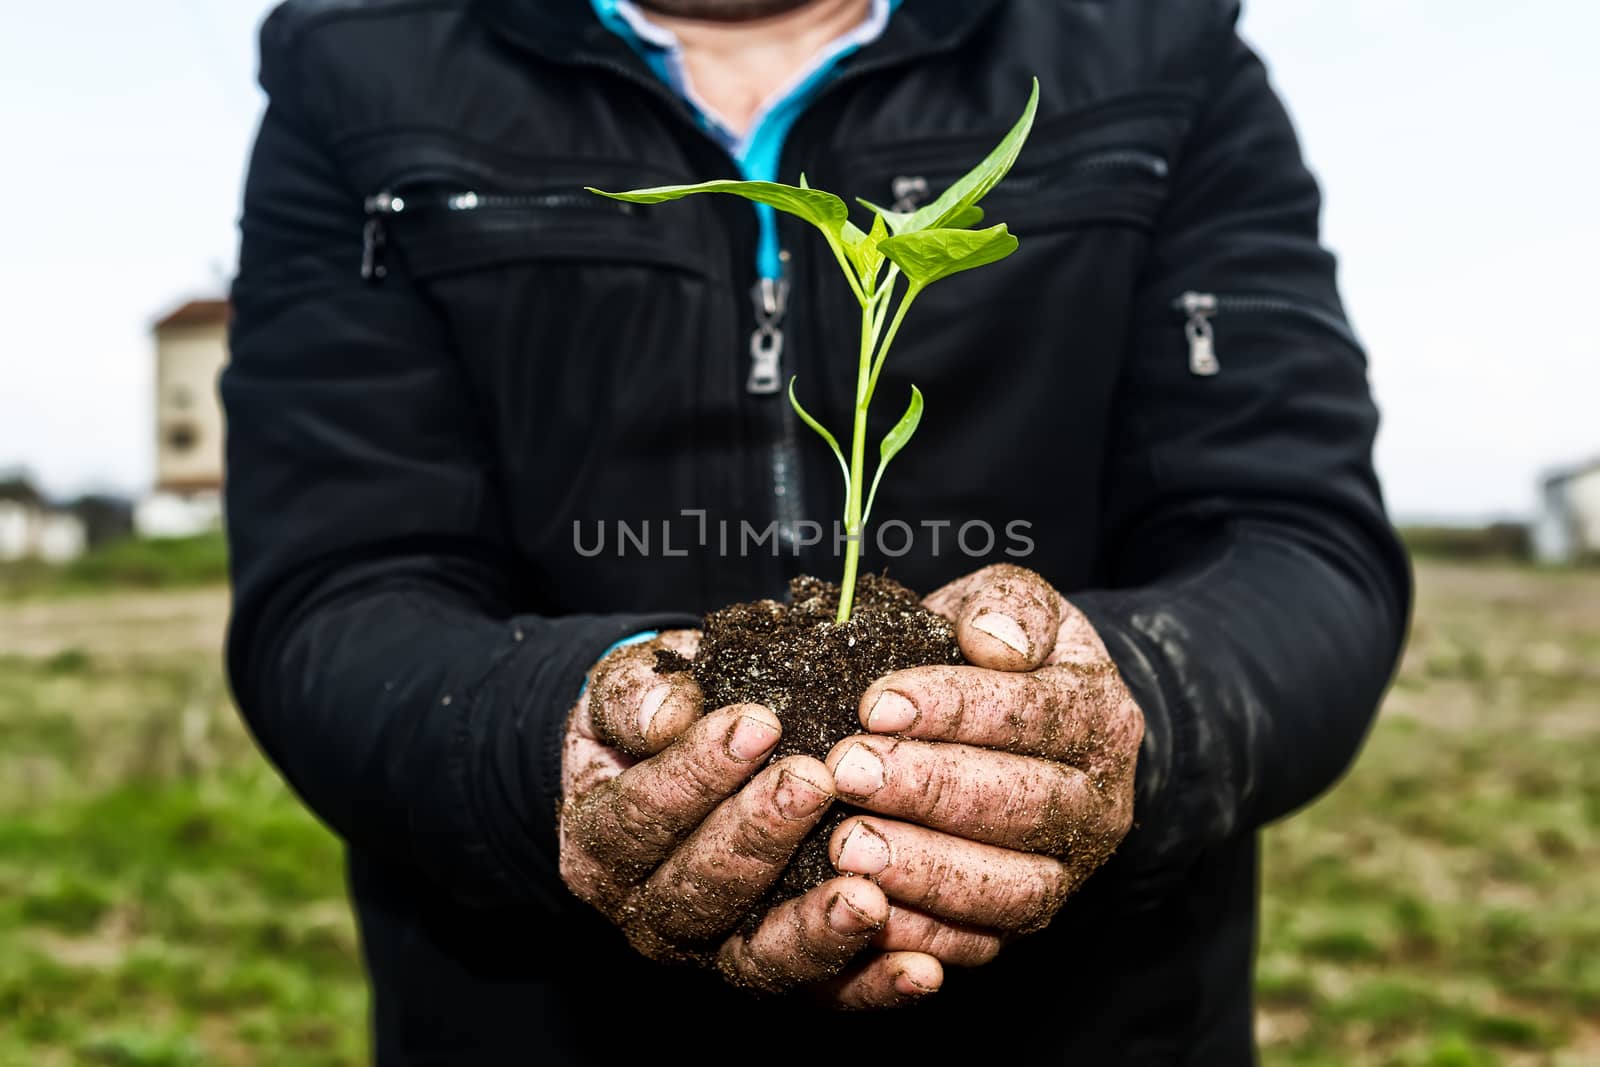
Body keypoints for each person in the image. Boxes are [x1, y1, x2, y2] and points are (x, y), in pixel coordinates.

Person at [222, 0, 1411, 1062]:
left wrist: (1132, 706)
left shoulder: (1157, 41)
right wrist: (542, 742)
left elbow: (1296, 541)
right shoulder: (357, 61)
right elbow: (335, 594)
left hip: (1101, 1019)